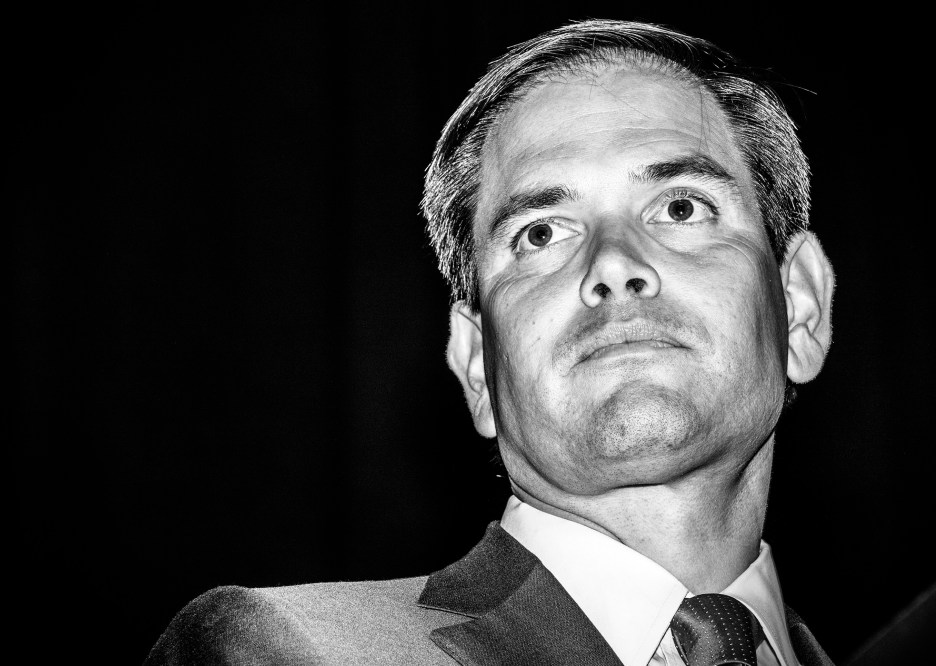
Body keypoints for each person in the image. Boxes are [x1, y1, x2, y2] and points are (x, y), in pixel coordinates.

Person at [145, 19, 835, 666]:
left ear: (800, 307)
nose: (615, 265)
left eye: (681, 208)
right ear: (477, 365)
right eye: (541, 234)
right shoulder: (285, 651)